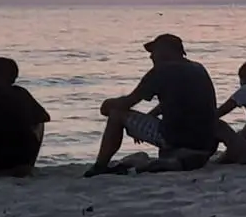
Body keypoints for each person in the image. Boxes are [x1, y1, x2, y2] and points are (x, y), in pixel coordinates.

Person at [86, 34, 229, 177]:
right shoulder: (198, 68)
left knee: (117, 114)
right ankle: (180, 157)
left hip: (176, 138)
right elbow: (179, 103)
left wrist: (108, 105)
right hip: (205, 143)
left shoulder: (161, 71)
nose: (151, 57)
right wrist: (150, 117)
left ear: (166, 50)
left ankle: (100, 166)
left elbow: (128, 102)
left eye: (154, 52)